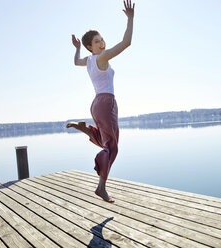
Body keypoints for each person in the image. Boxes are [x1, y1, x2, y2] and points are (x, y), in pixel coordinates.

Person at [66, 0, 135, 203]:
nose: (102, 43)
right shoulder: (101, 58)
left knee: (108, 142)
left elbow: (75, 61)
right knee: (112, 148)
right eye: (97, 41)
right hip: (106, 103)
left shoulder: (88, 60)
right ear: (91, 46)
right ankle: (101, 187)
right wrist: (130, 19)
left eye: (102, 39)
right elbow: (126, 43)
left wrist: (78, 48)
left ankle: (85, 129)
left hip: (97, 104)